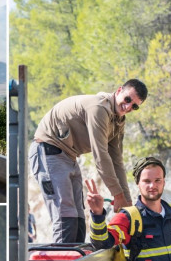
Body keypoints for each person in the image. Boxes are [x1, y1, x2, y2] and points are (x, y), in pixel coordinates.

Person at [29, 80, 147, 244]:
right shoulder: (99, 108)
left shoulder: (118, 120)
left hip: (69, 156)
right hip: (48, 150)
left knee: (78, 217)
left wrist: (126, 201)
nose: (128, 107)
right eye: (128, 99)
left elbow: (116, 160)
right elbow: (100, 154)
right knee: (66, 215)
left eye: (134, 106)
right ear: (119, 90)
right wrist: (117, 194)